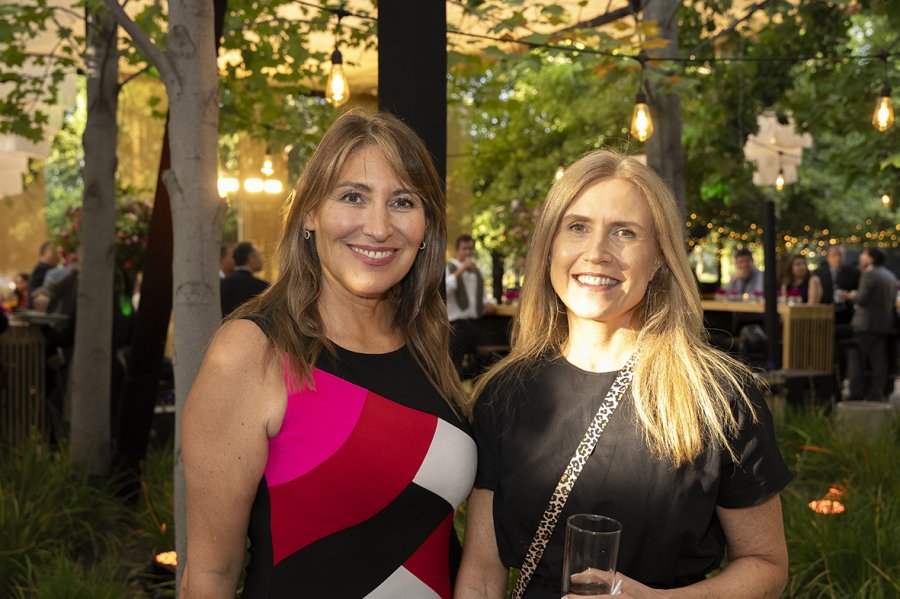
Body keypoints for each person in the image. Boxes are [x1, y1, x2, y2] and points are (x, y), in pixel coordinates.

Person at [456, 150, 791, 599]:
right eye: (577, 227)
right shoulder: (503, 393)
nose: (597, 253)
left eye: (625, 232)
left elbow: (766, 564)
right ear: (550, 247)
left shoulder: (719, 398)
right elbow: (482, 574)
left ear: (659, 259)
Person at [181, 109, 476, 598]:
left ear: (426, 227)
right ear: (309, 213)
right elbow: (211, 574)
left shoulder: (428, 342)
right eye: (353, 196)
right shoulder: (252, 352)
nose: (378, 227)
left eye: (403, 201)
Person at [843, 247, 898, 401]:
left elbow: (862, 299)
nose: (861, 257)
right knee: (879, 362)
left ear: (871, 258)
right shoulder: (889, 275)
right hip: (884, 325)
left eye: (864, 254)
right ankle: (877, 393)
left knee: (858, 361)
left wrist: (850, 296)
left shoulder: (869, 274)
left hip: (865, 324)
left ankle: (857, 393)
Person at [446, 234, 496, 378]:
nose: (468, 252)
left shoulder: (476, 271)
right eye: (464, 249)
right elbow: (444, 289)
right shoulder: (449, 267)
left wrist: (487, 304)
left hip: (475, 323)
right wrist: (461, 270)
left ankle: (474, 384)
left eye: (470, 249)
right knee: (455, 363)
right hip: (456, 325)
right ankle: (455, 387)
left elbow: (482, 295)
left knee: (487, 357)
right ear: (457, 250)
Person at [219, 241, 269, 317]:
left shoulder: (222, 283)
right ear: (251, 257)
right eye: (260, 254)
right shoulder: (263, 287)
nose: (263, 259)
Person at [816, 245, 859, 324]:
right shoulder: (819, 273)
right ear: (828, 258)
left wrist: (850, 295)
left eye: (840, 255)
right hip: (824, 313)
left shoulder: (853, 272)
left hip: (846, 313)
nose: (837, 259)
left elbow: (858, 291)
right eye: (834, 255)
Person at [27, 241, 59, 307]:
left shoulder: (44, 268)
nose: (57, 254)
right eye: (53, 251)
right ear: (44, 253)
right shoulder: (42, 269)